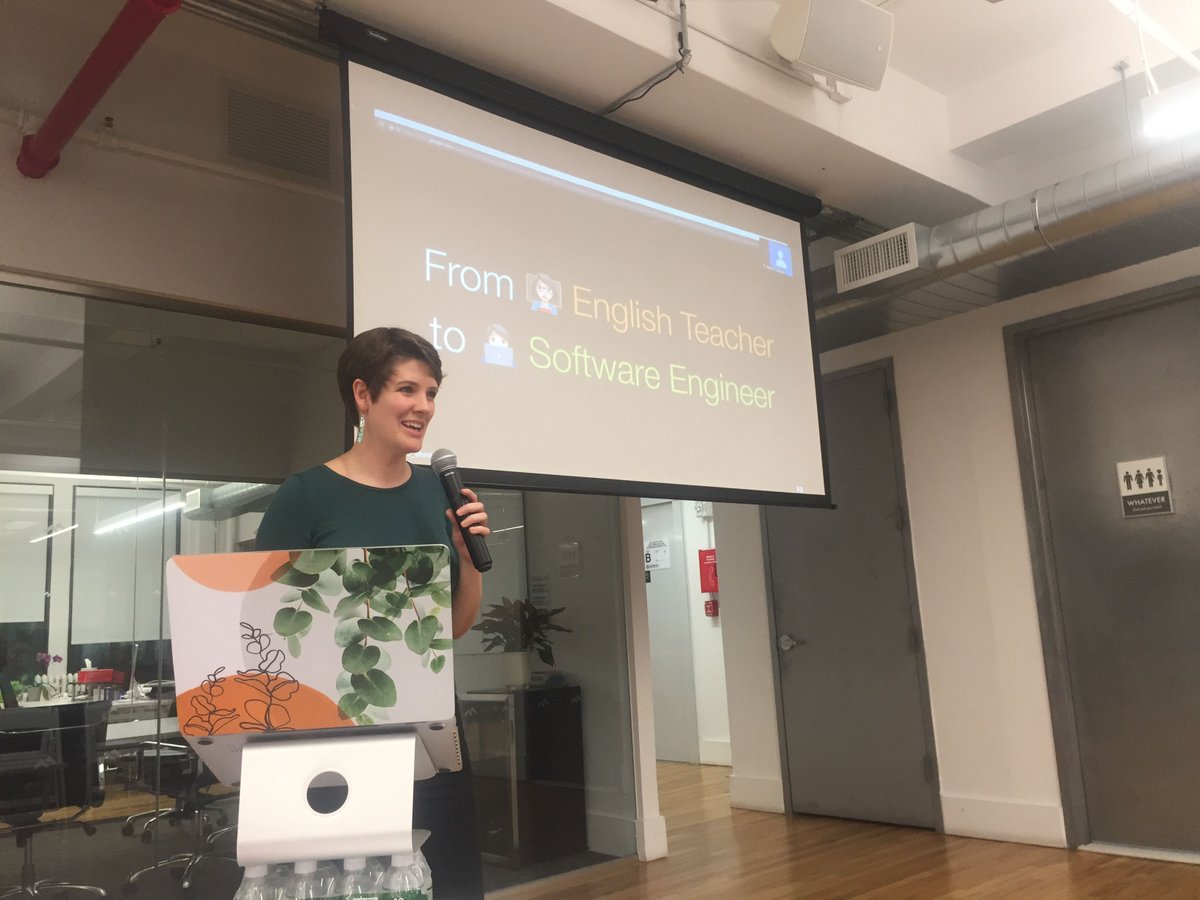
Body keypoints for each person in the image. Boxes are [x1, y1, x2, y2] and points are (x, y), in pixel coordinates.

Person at [255, 326, 489, 899]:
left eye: (431, 393)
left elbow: (452, 628)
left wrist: (469, 562)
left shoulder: (438, 493)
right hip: (330, 733)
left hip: (429, 730)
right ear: (363, 394)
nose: (423, 406)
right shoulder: (306, 495)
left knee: (449, 878)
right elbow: (264, 622)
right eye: (408, 390)